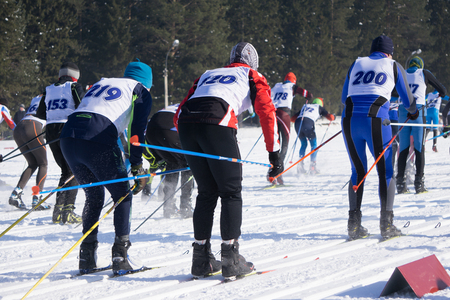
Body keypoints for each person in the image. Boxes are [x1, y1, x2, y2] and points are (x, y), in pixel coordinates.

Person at [174, 41, 283, 280]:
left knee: (206, 192)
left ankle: (201, 259)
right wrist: (274, 154)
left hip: (186, 124)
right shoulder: (251, 74)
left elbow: (182, 107)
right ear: (253, 61)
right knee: (231, 191)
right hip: (217, 120)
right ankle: (231, 259)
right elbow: (267, 112)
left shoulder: (208, 73)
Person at [60, 60, 152, 275]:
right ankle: (120, 257)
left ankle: (86, 258)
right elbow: (137, 132)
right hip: (96, 138)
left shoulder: (104, 82)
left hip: (68, 136)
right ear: (147, 82)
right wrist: (137, 166)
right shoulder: (140, 90)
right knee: (123, 195)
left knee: (94, 196)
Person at [341, 35, 418, 241]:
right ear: (389, 52)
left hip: (349, 120)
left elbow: (343, 98)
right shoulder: (393, 65)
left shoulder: (356, 63)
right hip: (376, 120)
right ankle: (387, 225)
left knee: (358, 171)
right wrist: (413, 111)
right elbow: (408, 99)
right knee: (385, 172)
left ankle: (354, 226)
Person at [35, 62, 84, 224]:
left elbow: (40, 112)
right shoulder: (73, 87)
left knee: (66, 170)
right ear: (75, 76)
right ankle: (67, 211)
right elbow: (82, 106)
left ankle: (58, 212)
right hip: (67, 129)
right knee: (74, 170)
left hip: (50, 130)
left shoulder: (48, 89)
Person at [396, 56, 447, 194]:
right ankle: (419, 183)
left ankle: (400, 183)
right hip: (418, 111)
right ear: (420, 65)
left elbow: (394, 93)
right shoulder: (424, 72)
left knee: (404, 148)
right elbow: (442, 91)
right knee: (419, 147)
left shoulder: (402, 73)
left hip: (402, 110)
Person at [143, 103, 194, 218]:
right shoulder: (198, 105)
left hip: (151, 130)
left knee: (172, 163)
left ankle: (168, 207)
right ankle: (185, 206)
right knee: (188, 164)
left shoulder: (181, 103)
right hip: (168, 128)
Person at [8, 95, 50, 210]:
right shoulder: (53, 94)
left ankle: (16, 193)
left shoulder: (36, 97)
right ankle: (37, 197)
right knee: (43, 164)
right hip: (33, 126)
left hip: (20, 127)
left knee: (33, 163)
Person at [271, 72, 313, 183]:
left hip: (272, 114)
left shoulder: (276, 86)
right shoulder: (293, 86)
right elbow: (308, 95)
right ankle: (277, 173)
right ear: (294, 81)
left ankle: (272, 170)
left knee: (275, 143)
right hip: (284, 114)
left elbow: (267, 95)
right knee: (284, 145)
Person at [291, 97, 335, 175]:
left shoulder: (305, 106)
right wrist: (333, 117)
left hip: (298, 124)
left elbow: (292, 119)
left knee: (303, 144)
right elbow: (330, 117)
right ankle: (313, 167)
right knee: (313, 144)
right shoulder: (319, 107)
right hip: (308, 124)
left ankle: (300, 166)